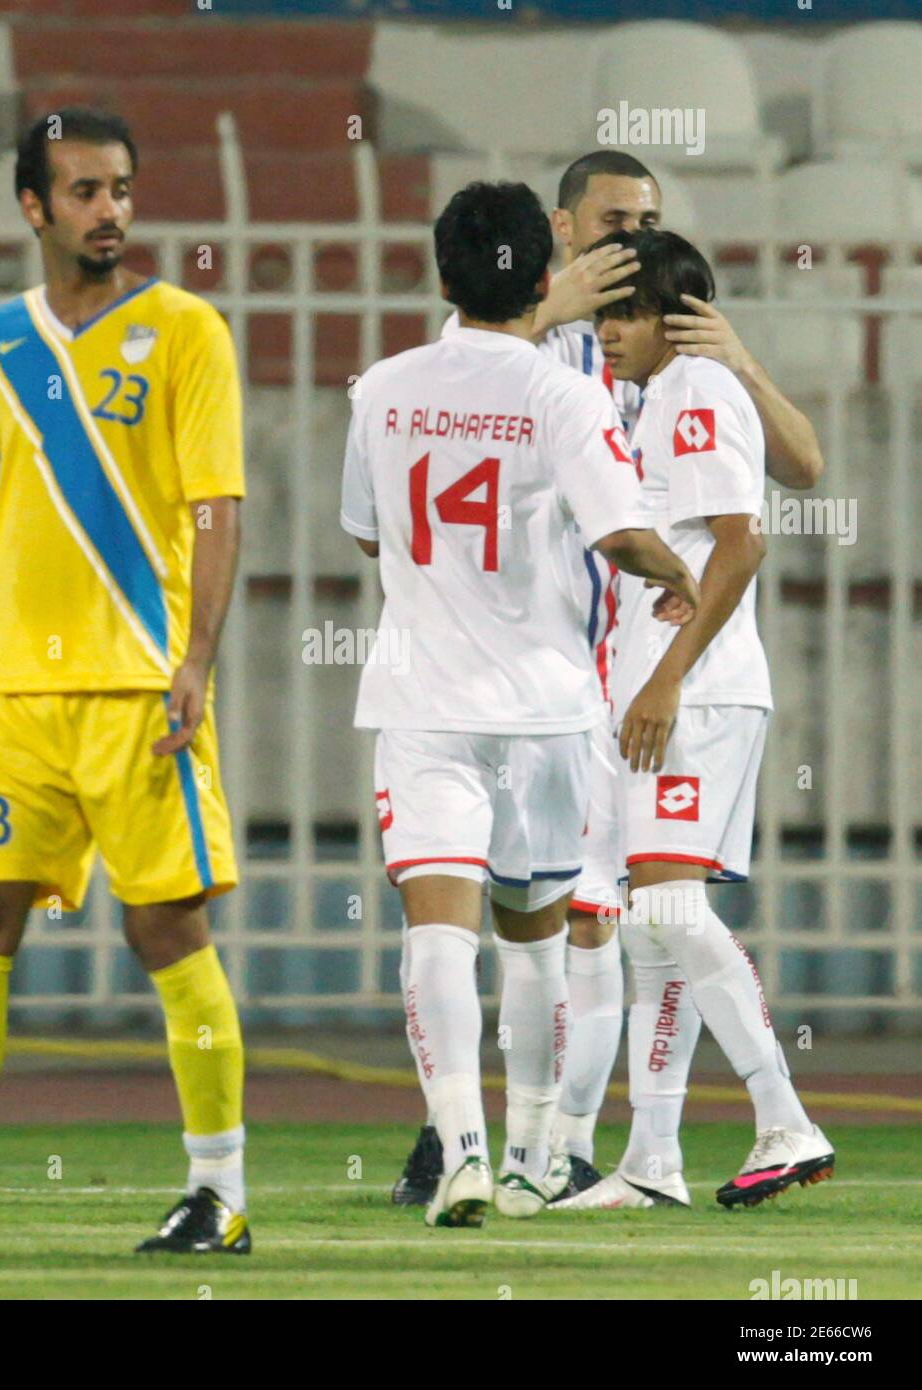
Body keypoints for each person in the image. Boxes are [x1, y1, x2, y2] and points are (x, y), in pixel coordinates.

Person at [0, 108, 251, 1256]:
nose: (108, 210)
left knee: (164, 928)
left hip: (137, 687)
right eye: (82, 191)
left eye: (119, 188)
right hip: (15, 698)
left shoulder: (185, 331)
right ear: (33, 207)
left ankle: (217, 1195)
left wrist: (197, 659)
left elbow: (217, 509)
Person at [395, 149, 825, 1208]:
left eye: (648, 219)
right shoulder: (553, 342)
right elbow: (462, 390)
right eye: (613, 217)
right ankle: (622, 1155)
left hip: (647, 678)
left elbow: (791, 481)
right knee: (594, 917)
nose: (630, 235)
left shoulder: (681, 366)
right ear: (561, 228)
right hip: (559, 671)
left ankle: (586, 1141)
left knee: (613, 914)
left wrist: (741, 362)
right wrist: (549, 316)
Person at [343, 180, 701, 1227]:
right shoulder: (562, 393)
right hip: (545, 708)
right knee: (538, 939)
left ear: (439, 271)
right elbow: (619, 533)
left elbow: (366, 530)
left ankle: (456, 1147)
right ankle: (535, 1151)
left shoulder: (384, 386)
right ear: (545, 277)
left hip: (423, 701)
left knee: (434, 931)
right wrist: (672, 572)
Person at [551, 228, 833, 1210]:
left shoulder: (697, 391)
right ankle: (652, 1161)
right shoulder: (651, 397)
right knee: (650, 927)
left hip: (696, 693)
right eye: (600, 315)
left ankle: (782, 1116)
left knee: (667, 909)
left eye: (623, 314)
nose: (608, 332)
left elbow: (742, 542)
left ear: (673, 318)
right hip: (667, 684)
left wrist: (666, 678)